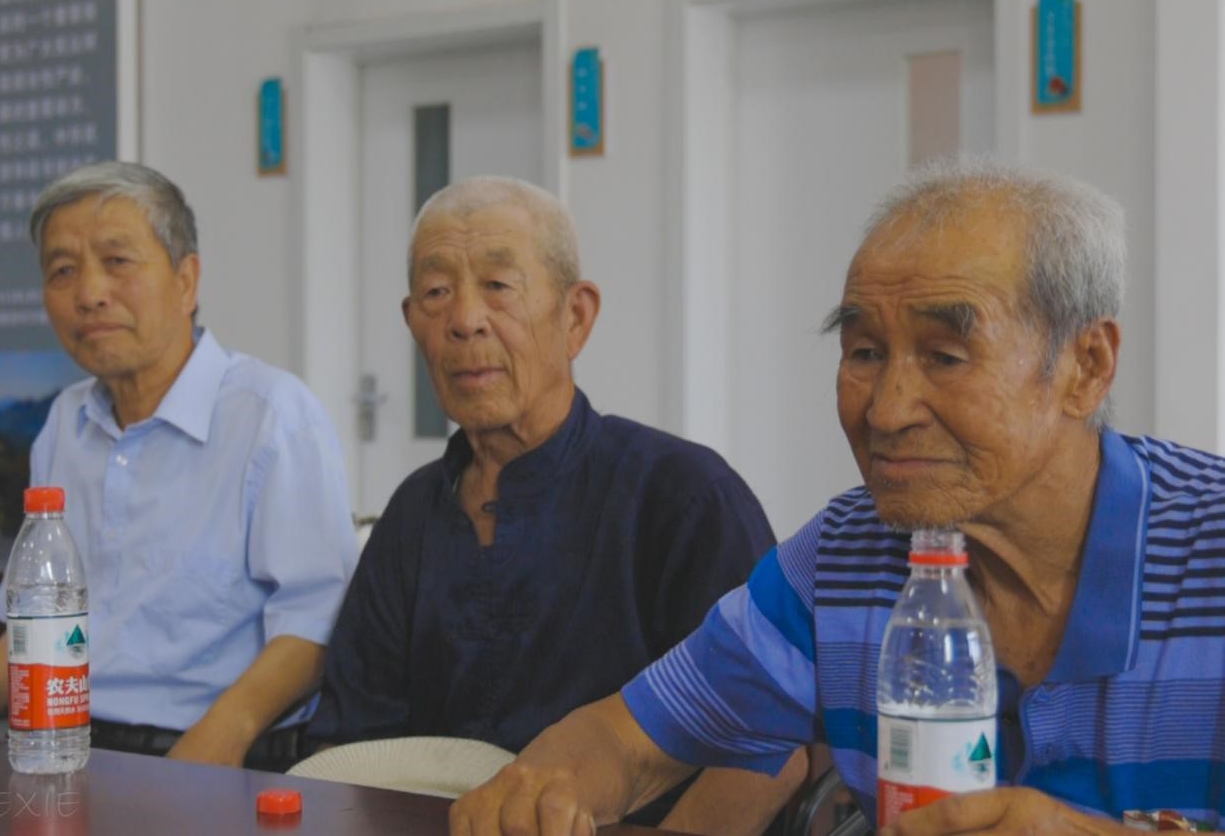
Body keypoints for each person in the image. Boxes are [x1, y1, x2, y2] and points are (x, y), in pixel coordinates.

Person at [450, 160, 1225, 835]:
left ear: (1086, 365)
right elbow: (627, 739)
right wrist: (543, 789)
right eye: (864, 351)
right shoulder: (846, 555)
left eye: (945, 355)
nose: (886, 410)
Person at [306, 177, 806, 834]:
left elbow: (770, 747)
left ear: (576, 316)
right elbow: (354, 743)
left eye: (498, 285)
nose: (464, 319)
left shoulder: (683, 496)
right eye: (436, 293)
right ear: (411, 323)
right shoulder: (412, 513)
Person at [0, 161, 359, 772]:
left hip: (217, 754)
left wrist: (220, 738)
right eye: (62, 271)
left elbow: (317, 621)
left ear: (186, 280)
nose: (89, 293)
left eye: (117, 261)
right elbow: (35, 627)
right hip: (63, 743)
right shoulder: (66, 421)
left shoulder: (271, 416)